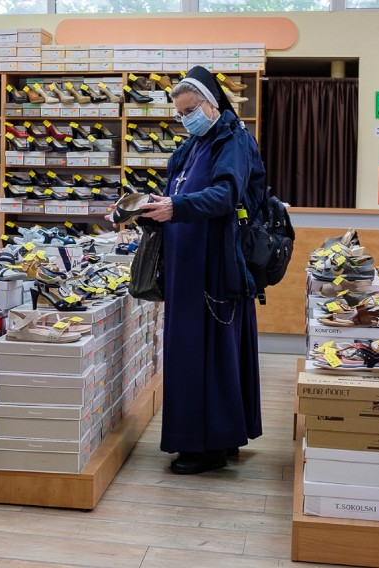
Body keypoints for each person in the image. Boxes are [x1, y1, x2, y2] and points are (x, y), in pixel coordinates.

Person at [139, 66, 264, 475]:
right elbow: (177, 192)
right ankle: (219, 437)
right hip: (187, 265)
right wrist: (147, 207)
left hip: (215, 264)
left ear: (212, 103)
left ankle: (206, 446)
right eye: (180, 114)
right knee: (197, 352)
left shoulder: (234, 140)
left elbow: (226, 195)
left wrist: (178, 207)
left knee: (206, 354)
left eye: (191, 110)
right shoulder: (193, 144)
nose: (186, 118)